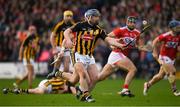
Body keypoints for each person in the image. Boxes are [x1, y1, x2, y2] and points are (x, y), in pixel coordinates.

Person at [55, 9, 126, 102]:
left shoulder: (99, 30)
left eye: (98, 16)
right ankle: (87, 95)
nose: (98, 18)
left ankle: (58, 74)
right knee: (83, 74)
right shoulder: (80, 25)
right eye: (96, 16)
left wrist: (119, 44)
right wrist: (68, 40)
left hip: (88, 56)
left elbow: (109, 40)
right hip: (77, 53)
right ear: (89, 17)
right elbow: (66, 31)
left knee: (90, 78)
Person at [97, 16, 151, 97]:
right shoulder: (121, 30)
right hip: (117, 54)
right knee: (133, 69)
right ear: (127, 22)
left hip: (120, 56)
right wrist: (112, 44)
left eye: (133, 22)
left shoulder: (137, 33)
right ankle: (125, 89)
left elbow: (138, 47)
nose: (132, 24)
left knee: (101, 77)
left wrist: (147, 48)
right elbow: (107, 36)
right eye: (130, 22)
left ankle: (82, 86)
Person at [143, 20, 180, 96]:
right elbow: (155, 41)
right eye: (177, 27)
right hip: (164, 57)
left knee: (160, 76)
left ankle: (148, 84)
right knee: (172, 71)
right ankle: (175, 90)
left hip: (172, 58)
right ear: (172, 28)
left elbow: (178, 47)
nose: (179, 28)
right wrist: (154, 50)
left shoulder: (179, 36)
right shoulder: (166, 35)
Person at [47, 10, 75, 79]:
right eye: (67, 16)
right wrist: (54, 48)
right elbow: (52, 36)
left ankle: (62, 83)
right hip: (59, 47)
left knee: (66, 68)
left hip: (67, 48)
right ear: (64, 17)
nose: (69, 18)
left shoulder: (74, 25)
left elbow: (74, 36)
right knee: (57, 63)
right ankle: (54, 78)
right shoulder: (59, 25)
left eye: (70, 16)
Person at [3, 77, 76, 95]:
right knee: (40, 91)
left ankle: (17, 90)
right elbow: (67, 89)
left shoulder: (64, 85)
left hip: (48, 88)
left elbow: (61, 90)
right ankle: (19, 90)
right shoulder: (65, 82)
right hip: (48, 84)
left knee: (36, 90)